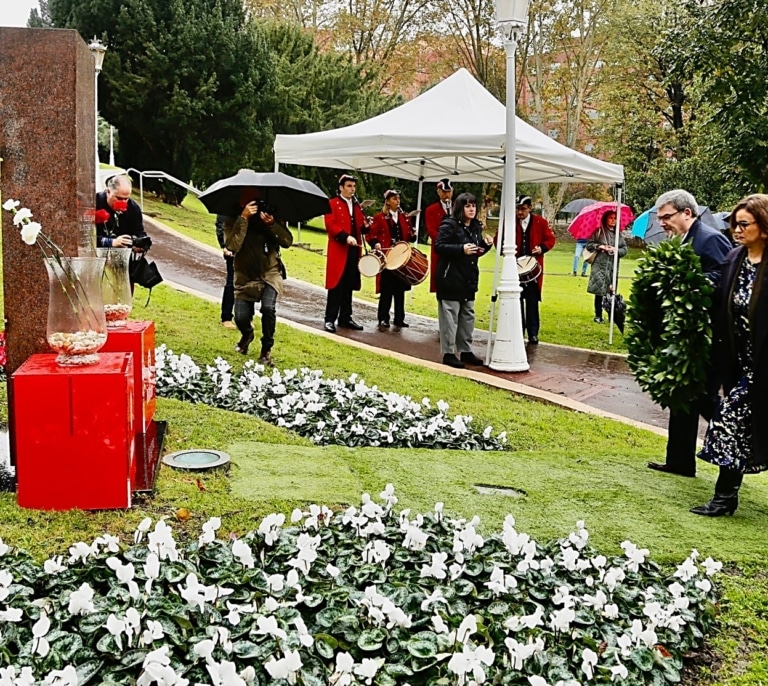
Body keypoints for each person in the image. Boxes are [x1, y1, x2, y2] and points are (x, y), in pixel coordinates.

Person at [690, 194, 768, 516]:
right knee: (737, 423)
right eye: (733, 223)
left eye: (743, 224)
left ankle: (724, 498)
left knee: (729, 418)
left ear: (763, 227)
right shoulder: (735, 258)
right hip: (739, 362)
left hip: (763, 365)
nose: (736, 229)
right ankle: (725, 497)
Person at [646, 189, 732, 478]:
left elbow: (724, 279)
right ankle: (680, 461)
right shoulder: (679, 242)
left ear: (687, 213)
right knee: (681, 395)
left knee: (705, 397)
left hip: (709, 337)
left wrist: (687, 281)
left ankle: (740, 438)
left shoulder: (710, 238)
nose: (662, 224)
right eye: (659, 219)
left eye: (666, 217)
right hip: (687, 335)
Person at [222, 189, 293, 365]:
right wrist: (244, 218)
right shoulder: (232, 218)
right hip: (245, 273)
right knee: (240, 317)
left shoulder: (272, 214)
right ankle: (247, 334)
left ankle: (266, 350)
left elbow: (287, 241)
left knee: (268, 308)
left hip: (270, 272)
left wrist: (272, 225)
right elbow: (232, 246)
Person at [435, 193, 493, 369]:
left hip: (468, 279)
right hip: (450, 278)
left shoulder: (476, 227)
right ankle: (449, 353)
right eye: (468, 206)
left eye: (474, 206)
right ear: (460, 208)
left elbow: (475, 250)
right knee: (450, 317)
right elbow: (439, 246)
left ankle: (466, 350)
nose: (472, 209)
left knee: (468, 316)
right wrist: (461, 249)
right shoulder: (449, 225)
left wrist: (486, 244)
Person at [323, 173, 371, 333]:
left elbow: (360, 227)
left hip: (353, 250)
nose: (352, 189)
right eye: (349, 186)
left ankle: (345, 317)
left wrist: (366, 225)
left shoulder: (357, 206)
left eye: (354, 186)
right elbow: (331, 225)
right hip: (339, 249)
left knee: (349, 284)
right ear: (341, 188)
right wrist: (345, 237)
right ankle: (330, 318)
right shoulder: (332, 203)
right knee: (336, 285)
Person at [369, 190, 416, 328]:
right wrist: (375, 243)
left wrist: (413, 235)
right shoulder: (379, 217)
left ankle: (399, 318)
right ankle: (383, 317)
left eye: (398, 198)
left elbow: (408, 236)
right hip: (388, 257)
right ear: (387, 201)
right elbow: (371, 234)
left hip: (401, 258)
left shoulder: (404, 217)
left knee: (400, 290)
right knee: (387, 289)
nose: (398, 201)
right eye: (394, 199)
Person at [515, 195, 556, 344]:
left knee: (532, 301)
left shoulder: (540, 222)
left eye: (523, 209)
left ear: (530, 208)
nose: (520, 213)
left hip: (533, 269)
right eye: (518, 209)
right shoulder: (511, 222)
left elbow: (550, 239)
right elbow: (498, 239)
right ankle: (518, 330)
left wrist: (542, 248)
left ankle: (533, 333)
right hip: (515, 268)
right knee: (516, 300)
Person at [586, 210, 626, 323]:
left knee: (611, 291)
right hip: (600, 266)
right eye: (611, 218)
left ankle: (611, 315)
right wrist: (600, 246)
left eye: (615, 218)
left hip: (612, 266)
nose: (613, 220)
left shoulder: (618, 234)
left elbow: (624, 249)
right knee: (599, 292)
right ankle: (598, 315)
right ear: (605, 219)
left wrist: (616, 250)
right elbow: (589, 245)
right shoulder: (599, 232)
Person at [424, 179, 454, 293]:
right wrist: (444, 243)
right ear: (438, 192)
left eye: (449, 191)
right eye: (444, 192)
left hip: (456, 248)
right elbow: (431, 230)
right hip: (440, 248)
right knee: (439, 278)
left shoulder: (457, 207)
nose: (447, 194)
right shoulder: (431, 210)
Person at [215, 214, 236, 329]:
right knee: (232, 283)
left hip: (248, 249)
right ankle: (226, 317)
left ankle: (245, 316)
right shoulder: (228, 203)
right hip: (232, 248)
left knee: (248, 285)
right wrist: (224, 245)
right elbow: (221, 224)